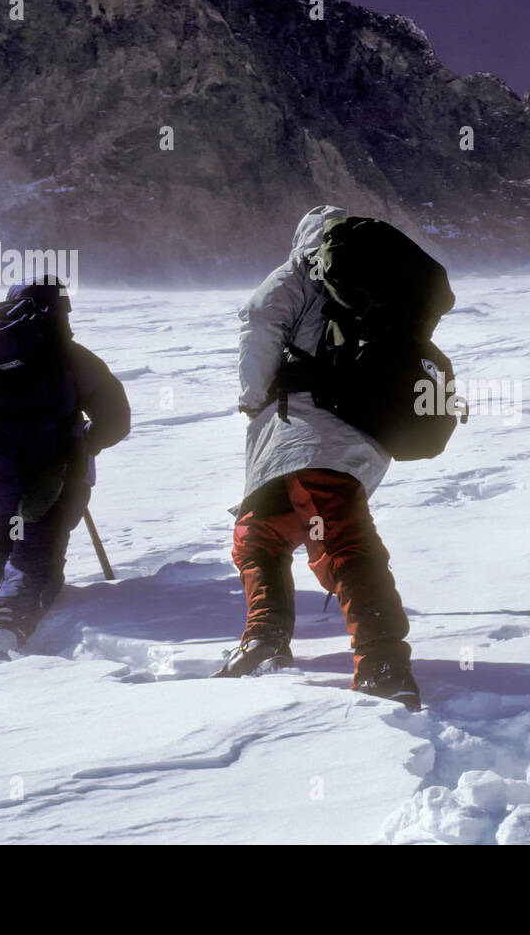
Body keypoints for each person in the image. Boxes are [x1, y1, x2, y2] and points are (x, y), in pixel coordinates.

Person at [220, 205, 420, 711]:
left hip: (305, 432)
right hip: (366, 438)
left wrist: (251, 397)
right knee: (258, 532)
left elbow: (258, 322)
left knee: (340, 538)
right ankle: (265, 640)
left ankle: (383, 665)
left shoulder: (301, 270)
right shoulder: (383, 284)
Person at [0, 276, 130, 654]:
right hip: (50, 479)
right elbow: (117, 418)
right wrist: (86, 441)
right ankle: (5, 626)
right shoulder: (70, 356)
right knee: (36, 556)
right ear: (62, 309)